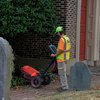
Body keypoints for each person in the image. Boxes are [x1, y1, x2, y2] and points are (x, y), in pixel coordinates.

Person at [51, 26, 71, 91]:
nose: (57, 34)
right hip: (66, 58)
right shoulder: (67, 38)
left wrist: (55, 55)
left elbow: (61, 50)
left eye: (57, 33)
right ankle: (65, 86)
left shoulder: (62, 39)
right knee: (63, 73)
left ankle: (64, 87)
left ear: (59, 32)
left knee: (62, 74)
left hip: (61, 59)